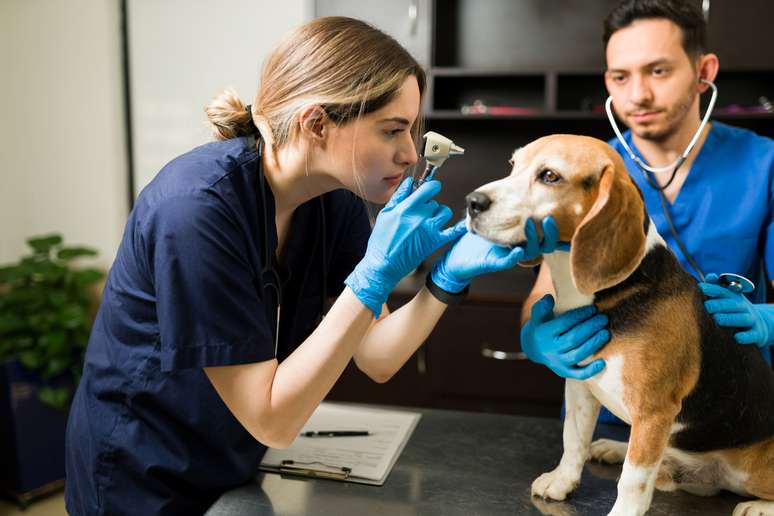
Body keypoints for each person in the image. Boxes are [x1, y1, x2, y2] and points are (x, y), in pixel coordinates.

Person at [64, 17, 564, 516]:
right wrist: (371, 278)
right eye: (392, 130)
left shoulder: (331, 200)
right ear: (317, 123)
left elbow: (379, 357)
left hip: (230, 461)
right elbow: (273, 420)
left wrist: (446, 279)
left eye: (412, 130)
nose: (410, 152)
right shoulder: (197, 210)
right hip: (142, 475)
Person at [520, 0, 774, 424]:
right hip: (608, 422)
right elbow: (541, 295)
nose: (637, 95)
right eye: (621, 77)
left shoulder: (763, 166)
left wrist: (767, 319)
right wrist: (537, 335)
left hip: (719, 427)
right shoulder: (587, 172)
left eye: (658, 71)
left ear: (703, 72)